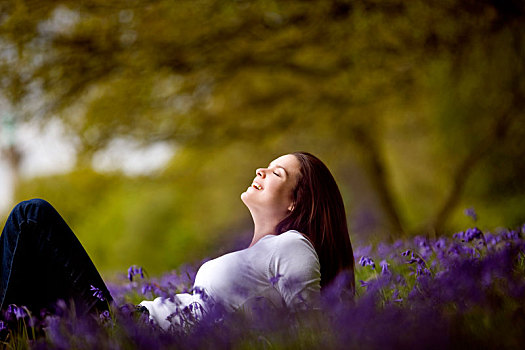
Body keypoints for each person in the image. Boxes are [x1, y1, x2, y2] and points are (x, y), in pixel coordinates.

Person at [0, 152, 354, 329]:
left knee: (31, 217)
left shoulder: (293, 246)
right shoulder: (260, 251)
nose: (261, 170)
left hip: (132, 332)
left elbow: (312, 331)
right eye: (267, 165)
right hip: (132, 323)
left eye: (277, 173)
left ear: (296, 201)